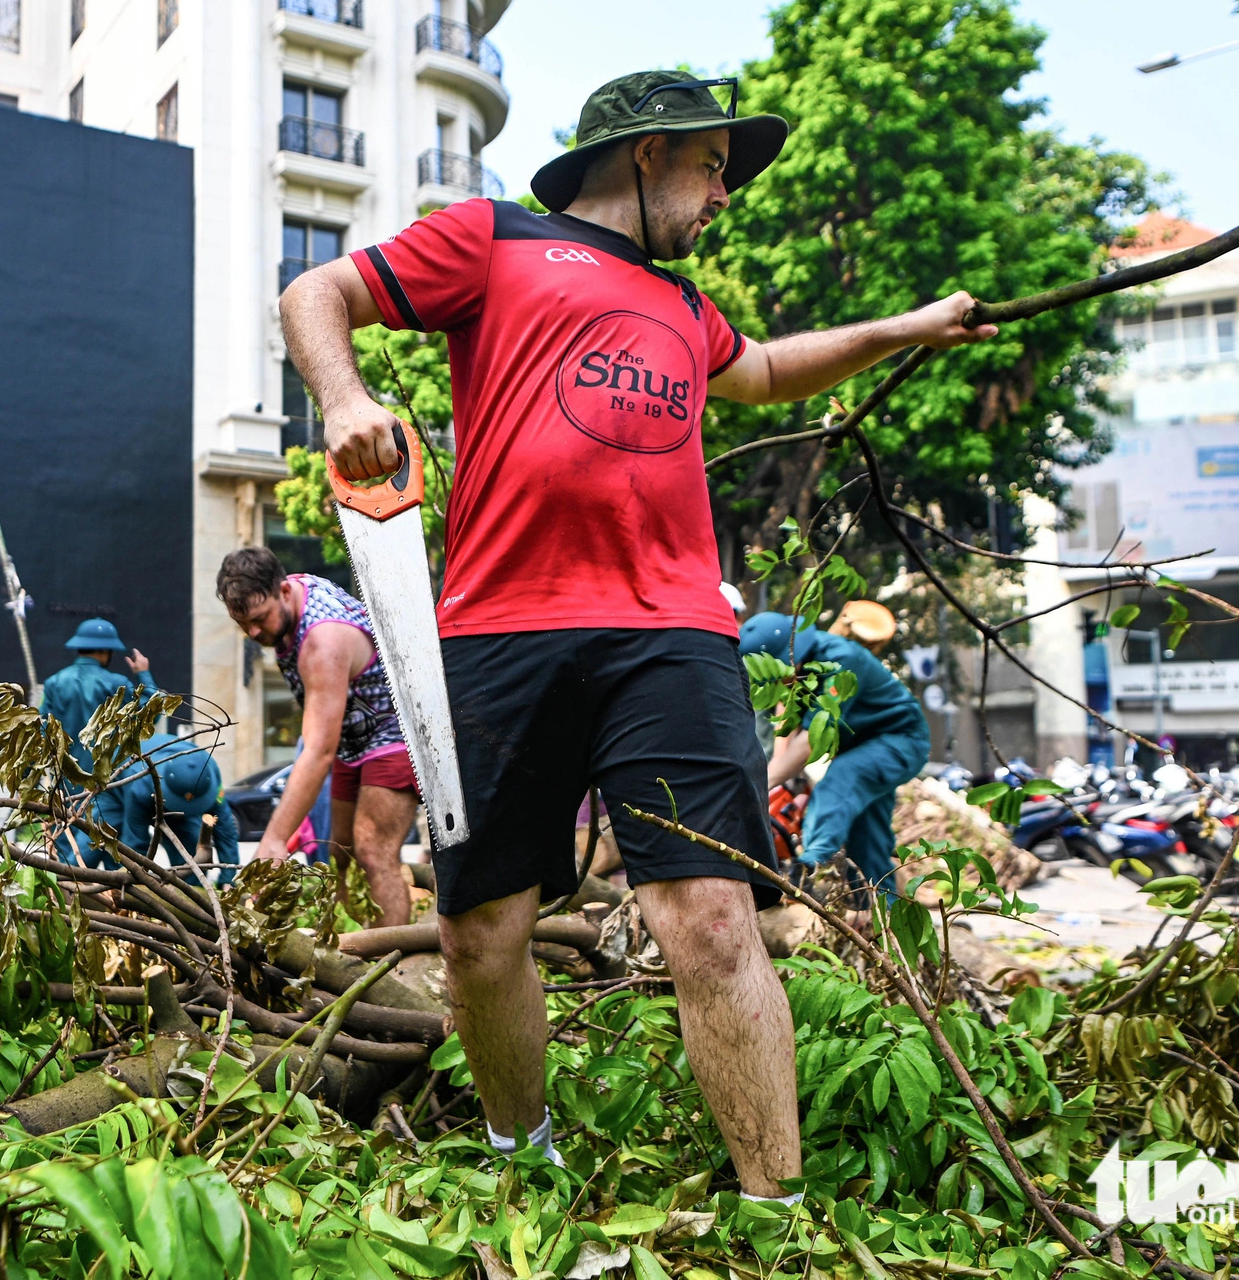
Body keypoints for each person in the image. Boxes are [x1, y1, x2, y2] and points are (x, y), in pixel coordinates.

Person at [276, 69, 998, 1195]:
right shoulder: (493, 238)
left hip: (670, 630)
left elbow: (760, 371)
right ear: (648, 152)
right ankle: (523, 1153)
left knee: (711, 919)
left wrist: (911, 327)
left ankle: (775, 1208)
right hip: (494, 633)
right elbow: (315, 291)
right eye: (713, 166)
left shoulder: (685, 307)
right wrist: (345, 400)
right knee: (478, 928)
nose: (723, 195)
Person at [216, 546, 419, 928]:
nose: (254, 633)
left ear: (284, 591)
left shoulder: (322, 643)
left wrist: (274, 841)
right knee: (338, 854)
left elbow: (317, 750)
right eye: (243, 624)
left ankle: (391, 963)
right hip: (351, 740)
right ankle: (353, 947)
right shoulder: (289, 598)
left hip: (393, 732)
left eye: (260, 619)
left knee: (373, 851)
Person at [742, 613, 931, 901]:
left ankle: (811, 865)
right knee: (867, 840)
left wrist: (761, 785)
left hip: (900, 740)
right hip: (860, 747)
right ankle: (884, 914)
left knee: (842, 778)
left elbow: (811, 740)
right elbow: (788, 723)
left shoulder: (841, 660)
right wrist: (779, 780)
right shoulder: (799, 670)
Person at [57, 732, 240, 885]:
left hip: (175, 789)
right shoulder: (140, 785)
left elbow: (225, 830)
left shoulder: (210, 777)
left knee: (191, 856)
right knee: (94, 841)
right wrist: (136, 886)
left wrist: (228, 880)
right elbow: (135, 842)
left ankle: (191, 906)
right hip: (117, 787)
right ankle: (69, 886)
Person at [41, 618, 159, 773]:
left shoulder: (53, 683)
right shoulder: (116, 684)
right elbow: (151, 714)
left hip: (66, 779)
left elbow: (41, 730)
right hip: (107, 778)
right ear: (104, 650)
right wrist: (143, 674)